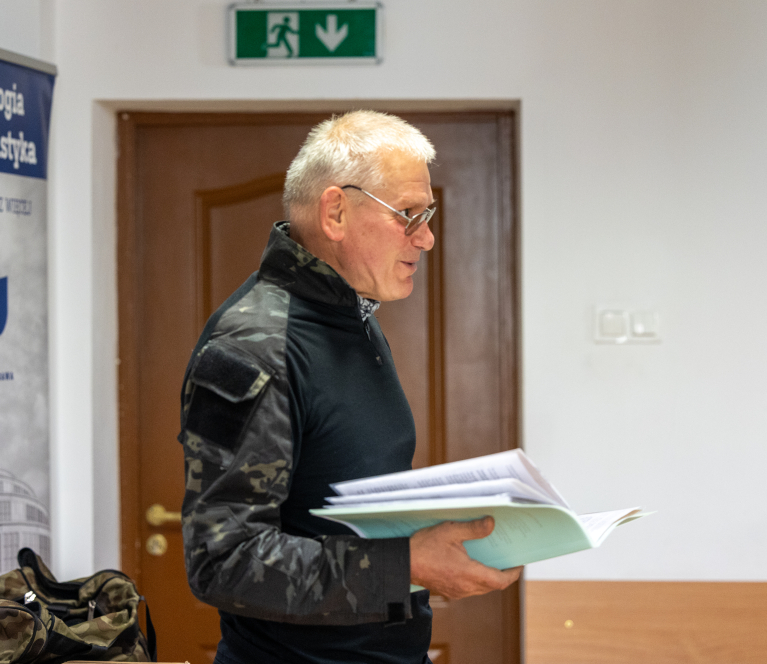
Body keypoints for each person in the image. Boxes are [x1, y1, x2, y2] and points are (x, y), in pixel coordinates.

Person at [178, 110, 521, 664]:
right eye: (408, 215)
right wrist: (407, 565)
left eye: (427, 216)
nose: (427, 238)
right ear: (335, 212)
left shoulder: (353, 317)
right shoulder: (253, 347)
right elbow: (223, 561)